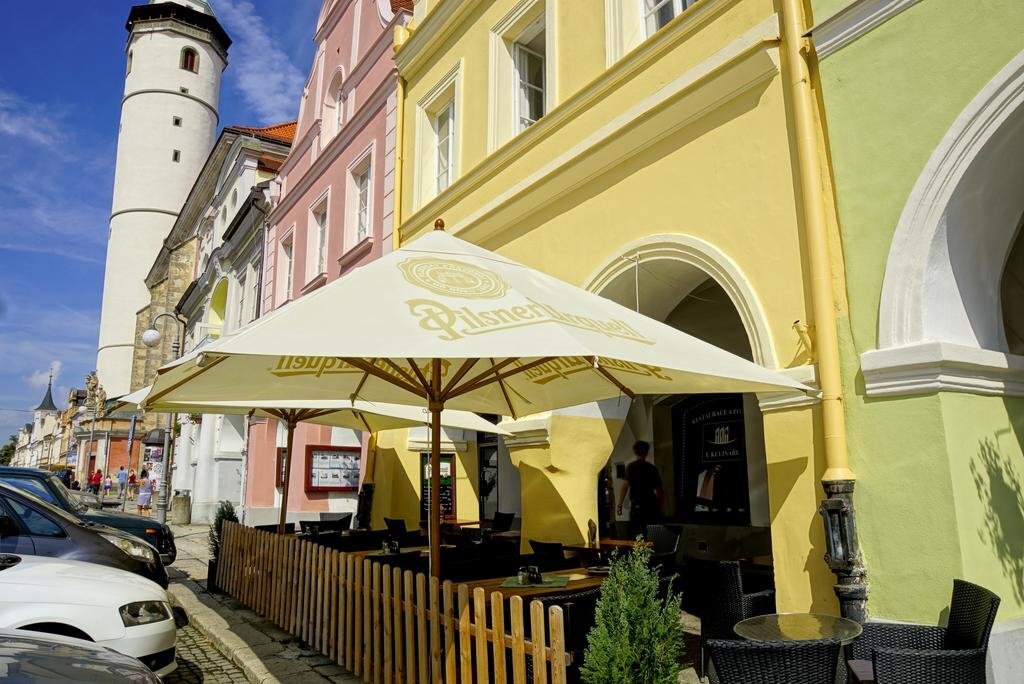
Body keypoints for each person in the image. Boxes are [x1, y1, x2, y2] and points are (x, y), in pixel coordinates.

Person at [617, 440, 663, 538]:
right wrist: (660, 509)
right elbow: (659, 491)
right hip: (651, 506)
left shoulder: (631, 467)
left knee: (637, 535)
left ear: (635, 452)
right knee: (651, 535)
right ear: (647, 452)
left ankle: (639, 548)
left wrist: (620, 505)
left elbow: (625, 487)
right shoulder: (652, 468)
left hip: (637, 507)